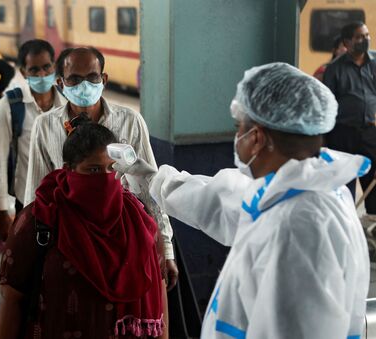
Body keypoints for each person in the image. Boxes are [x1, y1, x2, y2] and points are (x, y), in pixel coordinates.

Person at [116, 62, 370, 338]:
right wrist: (151, 178)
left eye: (240, 126)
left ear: (257, 137)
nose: (237, 136)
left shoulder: (297, 228)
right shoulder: (298, 192)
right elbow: (219, 200)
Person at [0, 122, 168, 338]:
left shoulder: (139, 221)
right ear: (69, 170)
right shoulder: (39, 220)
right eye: (93, 170)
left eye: (112, 168)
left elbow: (160, 294)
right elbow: (12, 300)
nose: (105, 178)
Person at [24, 47, 177, 287]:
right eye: (74, 79)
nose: (84, 85)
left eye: (92, 77)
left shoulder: (130, 121)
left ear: (103, 79)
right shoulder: (45, 126)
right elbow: (36, 194)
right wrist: (31, 250)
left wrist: (165, 248)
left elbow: (150, 188)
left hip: (125, 238)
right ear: (60, 83)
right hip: (69, 238)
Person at [0, 39, 66, 240]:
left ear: (54, 66)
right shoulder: (9, 105)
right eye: (34, 70)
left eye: (46, 67)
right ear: (23, 72)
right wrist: (2, 211)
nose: (41, 75)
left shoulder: (67, 103)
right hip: (27, 202)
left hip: (66, 200)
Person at [323, 22, 376, 214]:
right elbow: (327, 105)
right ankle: (345, 221)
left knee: (372, 182)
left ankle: (373, 225)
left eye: (367, 35)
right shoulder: (334, 69)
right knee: (344, 184)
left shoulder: (374, 63)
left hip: (370, 131)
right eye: (360, 36)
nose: (366, 39)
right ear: (347, 42)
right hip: (342, 134)